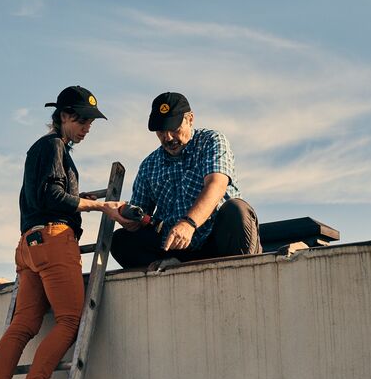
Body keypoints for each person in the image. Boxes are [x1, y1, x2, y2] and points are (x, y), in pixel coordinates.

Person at [0, 86, 125, 379]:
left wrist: (78, 197)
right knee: (70, 321)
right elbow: (53, 196)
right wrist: (100, 205)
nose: (87, 127)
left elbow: (45, 194)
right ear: (62, 117)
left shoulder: (44, 151)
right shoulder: (53, 146)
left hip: (29, 245)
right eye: (81, 120)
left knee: (24, 324)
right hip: (54, 240)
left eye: (90, 122)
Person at [111, 91, 261, 269]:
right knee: (120, 240)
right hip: (174, 247)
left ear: (190, 119)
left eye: (174, 129)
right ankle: (169, 267)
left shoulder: (211, 141)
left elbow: (216, 184)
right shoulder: (149, 165)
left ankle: (245, 271)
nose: (168, 138)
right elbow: (141, 219)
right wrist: (127, 218)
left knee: (237, 210)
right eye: (161, 131)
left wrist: (189, 223)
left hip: (217, 240)